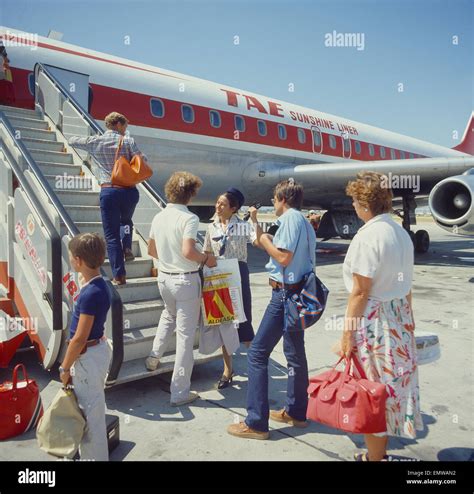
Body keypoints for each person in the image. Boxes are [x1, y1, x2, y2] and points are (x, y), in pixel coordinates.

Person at [339, 171, 422, 461]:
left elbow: (360, 292)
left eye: (354, 200)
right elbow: (406, 286)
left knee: (371, 392)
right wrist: (408, 323)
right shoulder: (401, 233)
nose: (352, 206)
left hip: (375, 322)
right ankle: (378, 454)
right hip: (398, 316)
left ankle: (376, 459)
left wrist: (347, 335)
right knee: (388, 389)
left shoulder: (368, 236)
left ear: (364, 203)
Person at [227, 179, 316, 440]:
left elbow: (282, 257)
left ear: (282, 199)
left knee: (256, 354)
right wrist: (257, 226)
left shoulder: (289, 220)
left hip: (284, 294)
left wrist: (266, 240)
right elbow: (262, 243)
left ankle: (256, 422)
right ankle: (297, 412)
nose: (273, 204)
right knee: (295, 353)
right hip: (298, 293)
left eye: (275, 199)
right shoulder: (303, 221)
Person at [144, 171, 217, 406]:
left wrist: (168, 260)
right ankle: (179, 392)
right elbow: (188, 251)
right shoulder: (189, 218)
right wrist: (205, 258)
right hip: (185, 281)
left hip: (164, 279)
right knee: (185, 336)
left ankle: (154, 357)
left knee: (168, 315)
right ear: (191, 193)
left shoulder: (159, 217)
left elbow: (151, 251)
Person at [68, 112, 147, 285]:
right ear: (118, 124)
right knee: (125, 221)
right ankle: (126, 246)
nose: (126, 129)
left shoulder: (95, 141)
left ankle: (119, 275)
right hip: (129, 192)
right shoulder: (128, 141)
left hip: (109, 192)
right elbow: (143, 160)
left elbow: (72, 140)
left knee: (111, 236)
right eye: (125, 125)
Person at [203, 187, 262, 389]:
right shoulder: (211, 227)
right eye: (217, 202)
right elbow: (207, 252)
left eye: (223, 204)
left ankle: (256, 367)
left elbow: (258, 241)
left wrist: (254, 219)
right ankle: (228, 370)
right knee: (223, 321)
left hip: (238, 272)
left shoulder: (242, 226)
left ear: (233, 208)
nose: (218, 206)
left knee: (243, 320)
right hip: (218, 275)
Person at [60, 233, 112, 461]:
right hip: (97, 351)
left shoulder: (90, 294)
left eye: (72, 257)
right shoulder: (99, 284)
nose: (70, 260)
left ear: (79, 261)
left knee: (90, 419)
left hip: (87, 356)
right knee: (94, 410)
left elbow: (79, 339)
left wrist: (64, 367)